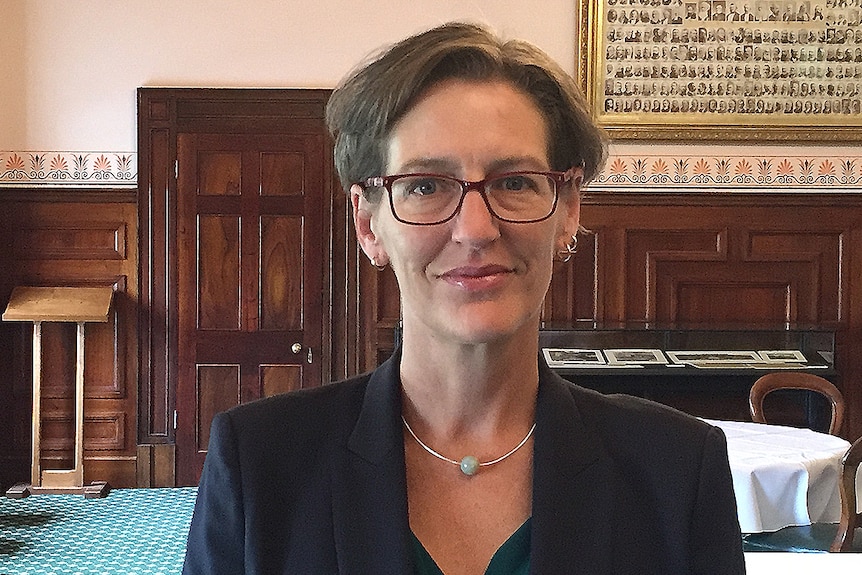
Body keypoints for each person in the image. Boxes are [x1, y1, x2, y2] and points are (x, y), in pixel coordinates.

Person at [181, 21, 745, 575]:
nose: (475, 229)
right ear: (369, 224)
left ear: (569, 208)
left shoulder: (677, 469)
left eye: (515, 181)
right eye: (425, 185)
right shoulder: (259, 464)